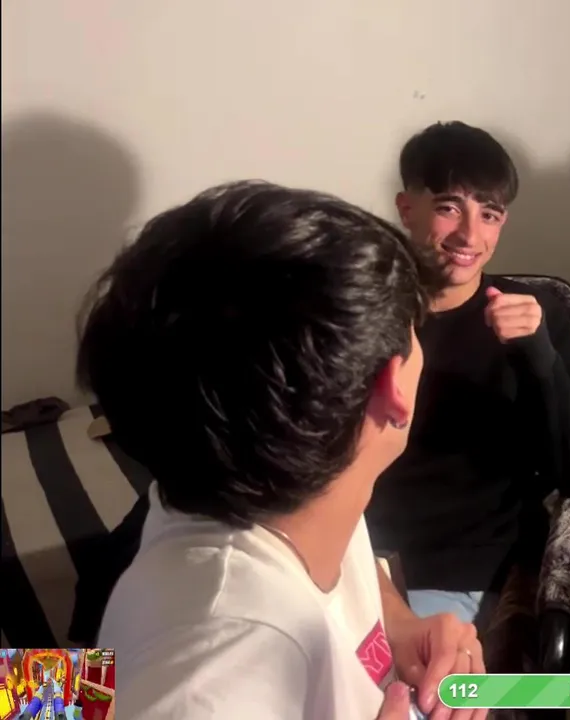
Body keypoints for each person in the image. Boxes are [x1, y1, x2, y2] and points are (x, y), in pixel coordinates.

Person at [84, 181, 487, 720]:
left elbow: (63, 693)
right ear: (392, 388)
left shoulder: (288, 482)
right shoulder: (218, 672)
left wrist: (396, 624)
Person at [367, 122, 570, 629]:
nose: (469, 236)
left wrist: (538, 354)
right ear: (407, 208)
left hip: (463, 569)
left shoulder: (535, 312)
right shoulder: (361, 311)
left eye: (489, 214)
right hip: (356, 555)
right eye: (449, 208)